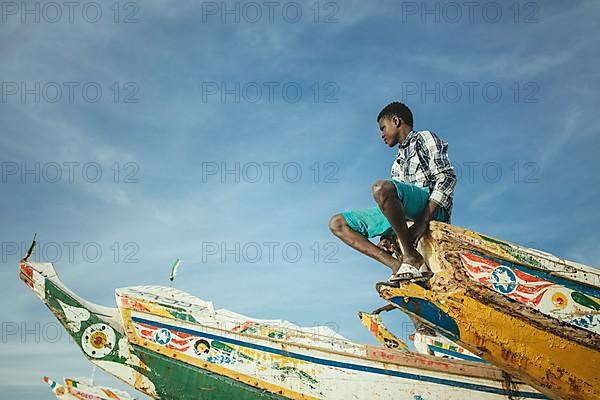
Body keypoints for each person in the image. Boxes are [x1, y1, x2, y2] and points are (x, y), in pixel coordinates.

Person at [329, 102, 457, 281]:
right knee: (338, 223)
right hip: (407, 210)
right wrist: (386, 238)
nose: (381, 135)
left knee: (381, 188)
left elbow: (446, 177)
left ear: (396, 121)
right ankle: (396, 266)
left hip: (430, 207)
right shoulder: (396, 165)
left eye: (383, 128)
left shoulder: (423, 138)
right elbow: (394, 205)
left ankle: (411, 256)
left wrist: (422, 221)